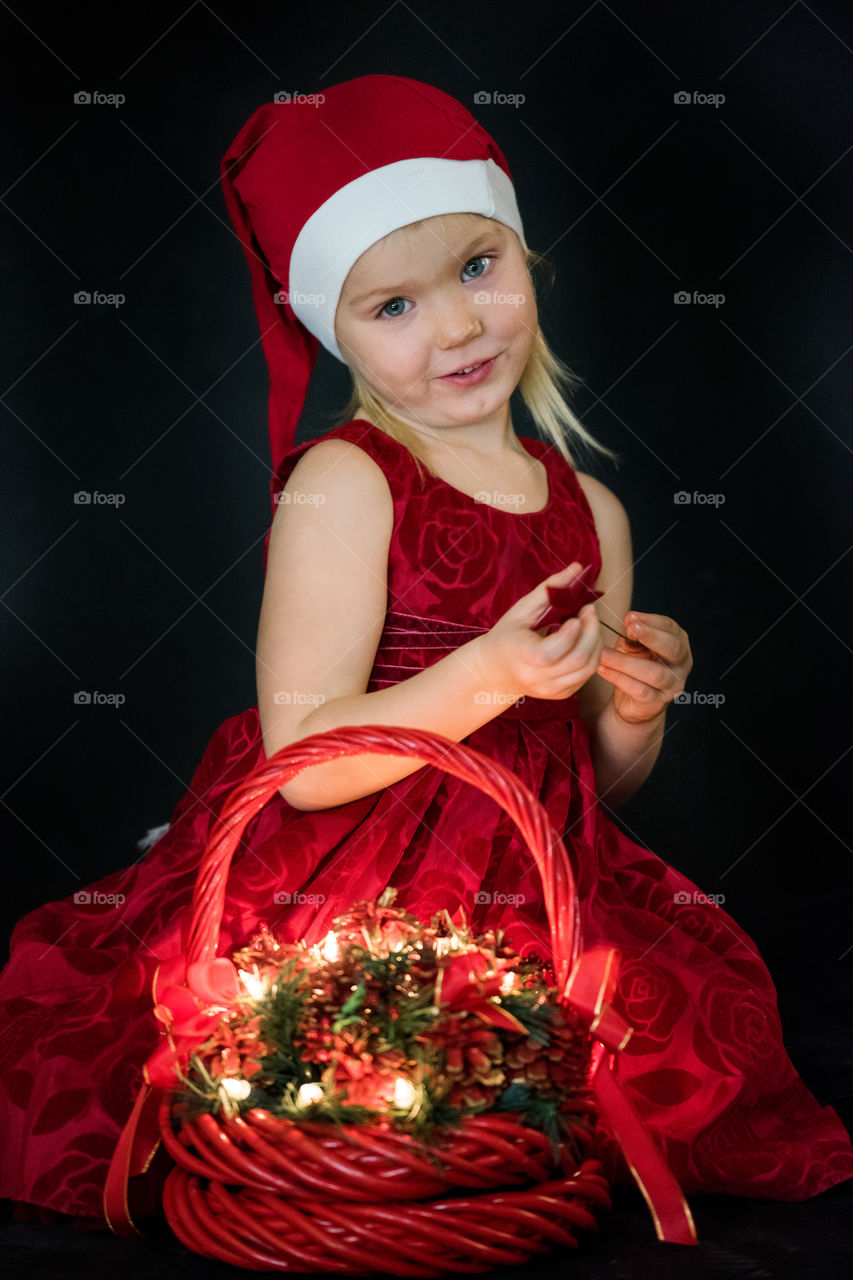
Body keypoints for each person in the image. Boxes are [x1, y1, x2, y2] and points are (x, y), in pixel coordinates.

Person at [1, 74, 851, 1231]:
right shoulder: (345, 481)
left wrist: (635, 712)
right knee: (362, 1073)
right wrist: (489, 673)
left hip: (533, 900)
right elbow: (304, 762)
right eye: (390, 306)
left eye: (475, 268)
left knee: (582, 1068)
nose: (454, 324)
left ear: (523, 258)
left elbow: (583, 792)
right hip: (346, 880)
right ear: (328, 327)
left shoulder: (588, 510)